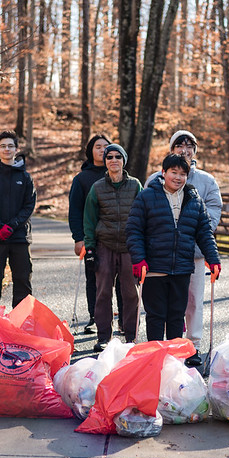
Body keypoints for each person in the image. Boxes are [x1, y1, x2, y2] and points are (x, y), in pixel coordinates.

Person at [145, 130, 222, 366]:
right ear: (171, 150)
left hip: (195, 254)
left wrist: (196, 237)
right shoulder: (154, 180)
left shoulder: (207, 181)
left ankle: (193, 345)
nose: (185, 149)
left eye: (190, 145)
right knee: (163, 304)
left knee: (192, 301)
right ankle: (161, 347)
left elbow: (213, 212)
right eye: (180, 145)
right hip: (162, 255)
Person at [127, 153, 222, 343]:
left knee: (176, 316)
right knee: (155, 316)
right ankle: (155, 358)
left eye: (182, 174)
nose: (178, 177)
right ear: (163, 172)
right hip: (154, 267)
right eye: (173, 172)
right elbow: (134, 230)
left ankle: (174, 359)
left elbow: (204, 233)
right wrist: (138, 259)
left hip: (182, 268)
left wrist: (213, 259)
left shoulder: (194, 199)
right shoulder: (147, 196)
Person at [82, 144, 142, 351]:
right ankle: (103, 337)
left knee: (130, 293)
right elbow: (89, 219)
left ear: (124, 160)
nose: (113, 160)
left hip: (129, 246)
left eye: (118, 156)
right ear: (105, 161)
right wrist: (89, 248)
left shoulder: (135, 186)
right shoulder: (97, 187)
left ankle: (131, 336)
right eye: (109, 157)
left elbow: (143, 217)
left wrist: (142, 247)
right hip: (104, 244)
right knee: (103, 292)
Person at [68, 134, 124, 334]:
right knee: (95, 279)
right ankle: (95, 317)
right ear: (90, 151)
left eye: (106, 147)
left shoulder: (122, 176)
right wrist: (79, 238)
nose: (102, 150)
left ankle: (122, 319)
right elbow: (75, 210)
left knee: (122, 281)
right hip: (93, 238)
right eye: (98, 147)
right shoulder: (82, 179)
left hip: (120, 238)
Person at [0, 131, 36, 311]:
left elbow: (29, 206)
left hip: (19, 238)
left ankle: (23, 325)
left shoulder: (25, 177)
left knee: (23, 283)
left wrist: (11, 226)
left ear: (16, 149)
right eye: (3, 146)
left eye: (10, 146)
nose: (7, 149)